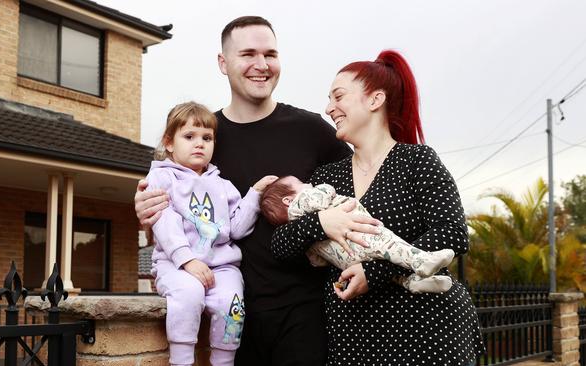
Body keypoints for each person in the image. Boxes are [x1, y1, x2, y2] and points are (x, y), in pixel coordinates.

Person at [134, 16, 371, 366]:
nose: (261, 65)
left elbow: (364, 189)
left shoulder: (311, 131)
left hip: (305, 314)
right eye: (248, 54)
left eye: (270, 54)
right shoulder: (202, 136)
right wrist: (144, 214)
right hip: (230, 310)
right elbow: (170, 216)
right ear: (223, 63)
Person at [270, 50, 484, 365]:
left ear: (375, 100)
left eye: (339, 96)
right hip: (354, 338)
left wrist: (376, 271)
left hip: (426, 332)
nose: (330, 108)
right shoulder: (327, 177)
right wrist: (322, 224)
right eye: (329, 99)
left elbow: (452, 235)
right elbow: (280, 244)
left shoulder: (417, 161)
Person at [147, 102, 276, 366]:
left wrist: (255, 194)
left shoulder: (223, 185)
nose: (199, 144)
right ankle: (181, 360)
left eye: (207, 138)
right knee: (188, 292)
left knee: (232, 302)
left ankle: (224, 361)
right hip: (176, 265)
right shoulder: (161, 178)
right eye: (189, 136)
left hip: (221, 266)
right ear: (169, 143)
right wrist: (187, 260)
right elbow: (164, 222)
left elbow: (237, 229)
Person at [260, 175, 455, 294]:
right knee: (388, 244)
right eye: (301, 183)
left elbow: (316, 261)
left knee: (386, 265)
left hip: (347, 261)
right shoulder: (301, 203)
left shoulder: (303, 232)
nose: (308, 183)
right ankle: (420, 260)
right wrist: (324, 189)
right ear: (287, 200)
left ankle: (412, 282)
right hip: (358, 238)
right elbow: (322, 196)